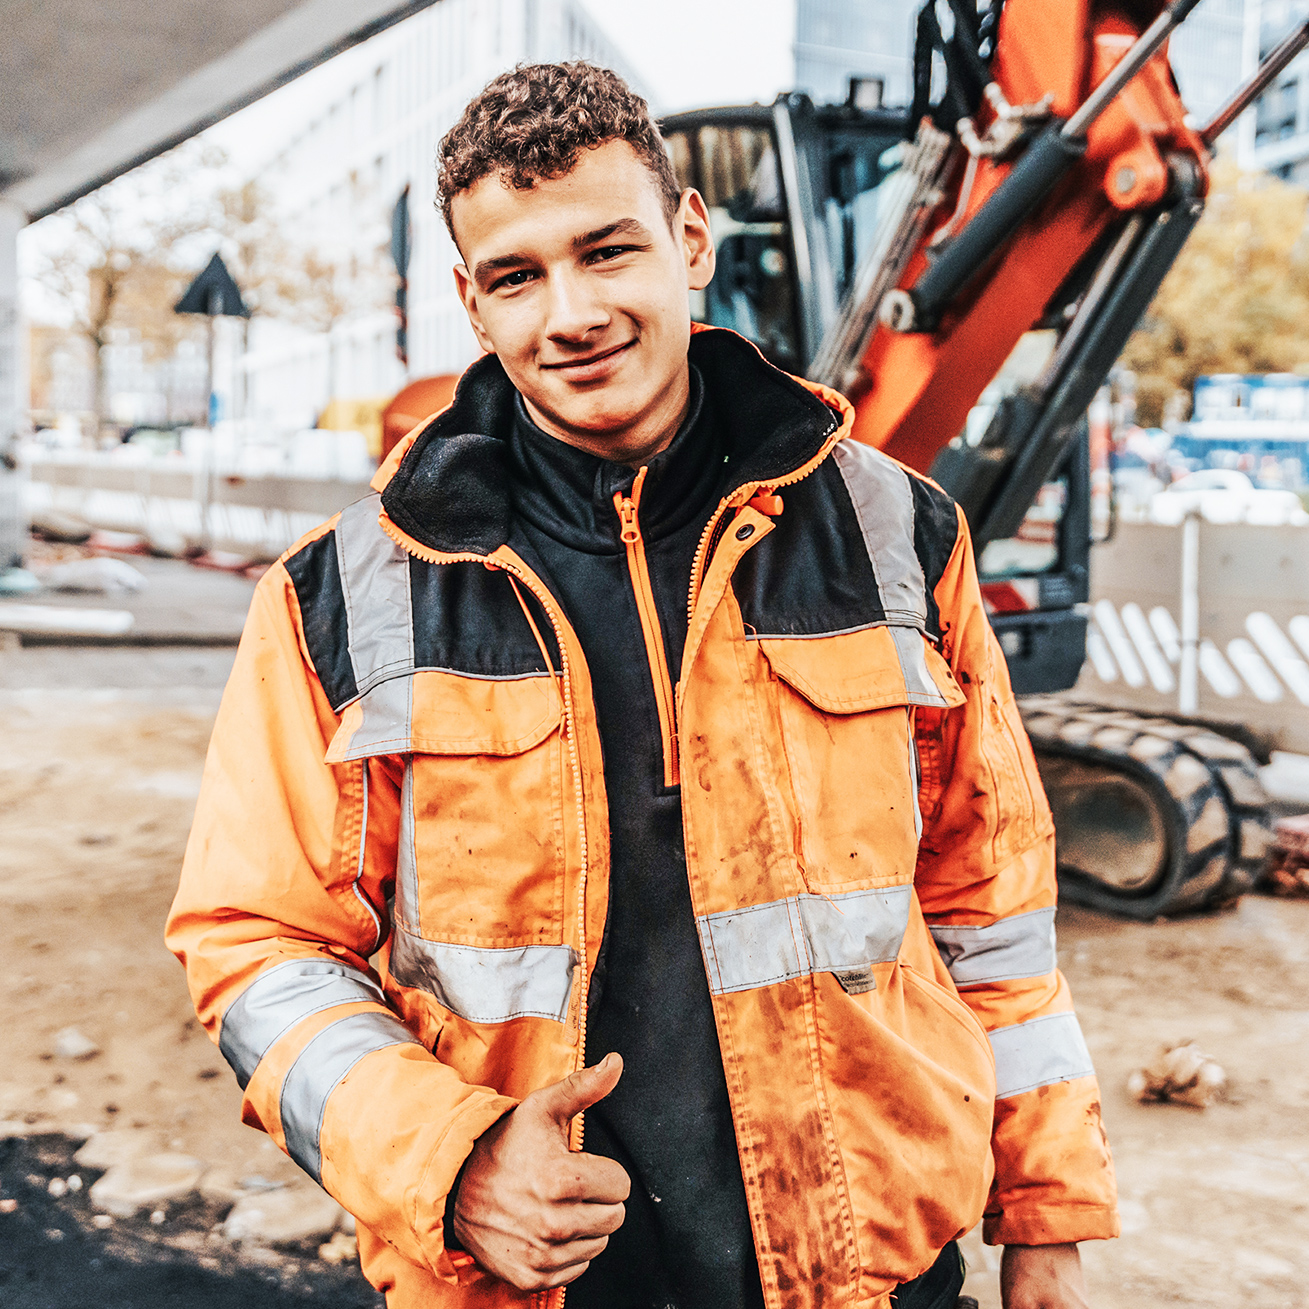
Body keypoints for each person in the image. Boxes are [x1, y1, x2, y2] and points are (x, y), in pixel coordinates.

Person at [167, 61, 1117, 1309]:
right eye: (516, 275)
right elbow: (257, 944)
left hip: (868, 1266)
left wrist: (1042, 1210)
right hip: (523, 1280)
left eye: (605, 251)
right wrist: (448, 1162)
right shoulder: (342, 596)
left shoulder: (899, 535)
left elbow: (990, 910)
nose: (569, 313)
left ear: (688, 239)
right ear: (471, 301)